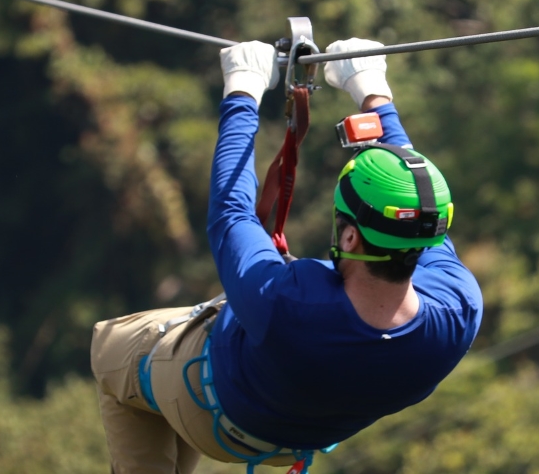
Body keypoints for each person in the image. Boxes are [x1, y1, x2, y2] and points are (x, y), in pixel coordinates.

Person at [91, 37, 483, 474]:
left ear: (349, 237)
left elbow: (231, 212)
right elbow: (419, 201)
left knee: (110, 349)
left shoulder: (287, 301)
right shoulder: (457, 308)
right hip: (296, 439)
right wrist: (373, 94)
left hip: (213, 411)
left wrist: (242, 91)